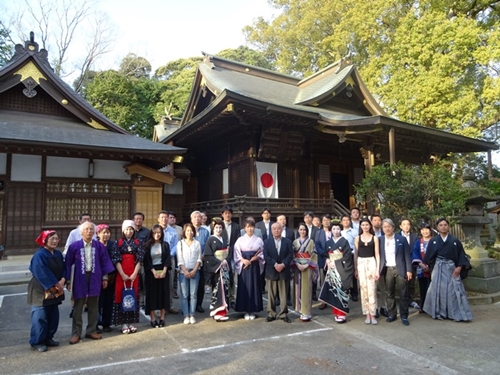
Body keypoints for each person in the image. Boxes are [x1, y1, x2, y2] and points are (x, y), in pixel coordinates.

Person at [65, 222, 114, 344]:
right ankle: (76, 333)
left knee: (94, 306)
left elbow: (104, 262)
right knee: (78, 306)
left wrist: (105, 278)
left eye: (91, 229)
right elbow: (67, 264)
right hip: (79, 277)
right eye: (86, 229)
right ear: (81, 232)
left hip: (95, 277)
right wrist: (68, 280)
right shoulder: (74, 247)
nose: (89, 231)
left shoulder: (99, 246)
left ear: (94, 232)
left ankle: (91, 330)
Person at [423, 218, 472, 322]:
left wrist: (459, 267)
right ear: (437, 227)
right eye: (441, 225)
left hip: (452, 267)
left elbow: (461, 256)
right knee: (438, 290)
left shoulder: (455, 241)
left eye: (445, 225)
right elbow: (429, 257)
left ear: (448, 226)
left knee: (454, 290)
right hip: (438, 267)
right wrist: (429, 267)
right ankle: (439, 312)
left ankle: (454, 313)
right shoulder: (434, 241)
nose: (443, 227)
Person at [27, 230, 66, 352]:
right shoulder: (40, 255)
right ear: (45, 240)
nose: (54, 241)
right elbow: (41, 272)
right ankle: (37, 341)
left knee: (53, 314)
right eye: (52, 239)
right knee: (40, 316)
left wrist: (63, 279)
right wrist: (55, 284)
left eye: (56, 239)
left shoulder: (58, 254)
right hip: (40, 288)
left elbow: (64, 268)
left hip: (56, 287)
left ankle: (49, 337)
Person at [110, 220, 145, 334]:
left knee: (133, 296)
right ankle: (123, 323)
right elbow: (116, 260)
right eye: (127, 229)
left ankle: (131, 322)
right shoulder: (118, 243)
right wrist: (123, 274)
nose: (129, 231)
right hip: (122, 274)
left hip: (134, 273)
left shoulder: (138, 242)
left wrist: (135, 273)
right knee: (122, 296)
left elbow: (139, 259)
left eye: (131, 229)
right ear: (123, 230)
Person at [379, 218, 413, 326]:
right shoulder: (380, 240)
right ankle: (392, 314)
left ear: (393, 227)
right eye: (385, 227)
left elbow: (407, 255)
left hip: (400, 268)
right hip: (387, 269)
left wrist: (409, 270)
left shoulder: (401, 239)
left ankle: (404, 315)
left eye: (389, 226)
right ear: (382, 228)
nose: (387, 229)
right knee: (389, 293)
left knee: (403, 292)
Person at [319, 221, 354, 323]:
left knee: (342, 290)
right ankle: (336, 312)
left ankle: (342, 313)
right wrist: (327, 260)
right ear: (331, 230)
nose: (336, 231)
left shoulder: (344, 241)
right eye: (334, 229)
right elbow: (325, 254)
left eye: (338, 229)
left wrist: (337, 262)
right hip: (332, 268)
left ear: (341, 230)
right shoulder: (328, 242)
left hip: (342, 268)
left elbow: (347, 256)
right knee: (333, 290)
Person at [233, 219, 265, 320]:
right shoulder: (240, 240)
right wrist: (242, 260)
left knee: (254, 287)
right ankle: (246, 310)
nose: (250, 229)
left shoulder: (259, 240)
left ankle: (253, 309)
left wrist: (257, 257)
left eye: (251, 227)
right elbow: (236, 253)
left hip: (254, 265)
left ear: (254, 228)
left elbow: (262, 252)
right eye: (247, 227)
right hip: (244, 267)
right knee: (244, 287)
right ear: (244, 228)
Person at [263, 223, 293, 323]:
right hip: (272, 270)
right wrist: (275, 264)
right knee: (271, 293)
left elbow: (290, 255)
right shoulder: (267, 242)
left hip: (284, 270)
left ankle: (283, 313)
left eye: (278, 228)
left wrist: (283, 264)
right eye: (274, 229)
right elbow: (266, 256)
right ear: (271, 231)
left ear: (282, 230)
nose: (276, 230)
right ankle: (271, 313)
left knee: (283, 293)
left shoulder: (288, 241)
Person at [143, 224, 171, 328]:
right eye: (155, 233)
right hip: (151, 272)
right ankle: (153, 318)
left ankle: (162, 317)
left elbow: (168, 258)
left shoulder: (165, 245)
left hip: (163, 270)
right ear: (151, 233)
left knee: (163, 294)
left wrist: (164, 271)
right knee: (152, 295)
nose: (157, 235)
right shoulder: (147, 245)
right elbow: (146, 261)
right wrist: (153, 271)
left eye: (159, 232)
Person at [354, 218, 380, 325]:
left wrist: (377, 270)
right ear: (360, 226)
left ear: (370, 226)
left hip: (371, 261)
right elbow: (355, 253)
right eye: (363, 225)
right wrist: (355, 268)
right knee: (363, 288)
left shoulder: (375, 238)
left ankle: (373, 314)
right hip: (360, 262)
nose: (365, 227)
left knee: (372, 288)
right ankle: (367, 314)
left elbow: (377, 254)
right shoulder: (357, 238)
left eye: (367, 225)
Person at [204, 219, 231, 321]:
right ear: (213, 228)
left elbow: (228, 252)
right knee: (217, 289)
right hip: (216, 269)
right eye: (216, 228)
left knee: (225, 288)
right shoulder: (211, 240)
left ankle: (223, 311)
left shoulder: (224, 239)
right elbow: (208, 255)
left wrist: (226, 261)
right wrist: (219, 263)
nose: (218, 230)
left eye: (220, 228)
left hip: (224, 268)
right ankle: (217, 312)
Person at [291, 222, 318, 321]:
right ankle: (300, 310)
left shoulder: (310, 242)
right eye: (301, 229)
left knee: (307, 289)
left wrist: (307, 264)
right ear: (298, 230)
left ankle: (307, 311)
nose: (302, 231)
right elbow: (293, 255)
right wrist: (297, 264)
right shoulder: (295, 242)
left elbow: (314, 254)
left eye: (304, 230)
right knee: (298, 288)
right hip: (297, 267)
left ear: (307, 231)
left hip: (308, 266)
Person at [177, 223, 202, 324]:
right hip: (183, 272)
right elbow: (179, 258)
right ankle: (185, 315)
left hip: (195, 271)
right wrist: (185, 271)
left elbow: (199, 258)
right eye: (187, 230)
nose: (190, 232)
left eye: (191, 230)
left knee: (193, 294)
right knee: (184, 294)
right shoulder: (180, 243)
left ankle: (192, 315)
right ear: (184, 232)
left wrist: (195, 270)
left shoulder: (197, 243)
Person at [158, 211, 179, 314]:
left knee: (170, 283)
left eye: (166, 217)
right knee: (158, 284)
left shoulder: (173, 231)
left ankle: (169, 305)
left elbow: (175, 245)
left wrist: (169, 255)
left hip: (170, 259)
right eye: (162, 217)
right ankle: (159, 307)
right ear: (158, 219)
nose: (164, 219)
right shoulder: (154, 230)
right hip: (157, 260)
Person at [96, 224, 116, 333]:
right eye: (103, 232)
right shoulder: (95, 245)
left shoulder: (113, 245)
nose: (106, 235)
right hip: (98, 277)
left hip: (111, 276)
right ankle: (95, 324)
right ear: (98, 234)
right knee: (98, 302)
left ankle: (106, 323)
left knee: (108, 301)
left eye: (108, 232)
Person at [191, 211, 210, 313]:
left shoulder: (205, 231)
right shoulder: (188, 230)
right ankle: (190, 304)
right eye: (195, 217)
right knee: (190, 283)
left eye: (199, 217)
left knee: (201, 284)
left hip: (202, 261)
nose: (197, 219)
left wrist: (203, 256)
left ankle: (199, 304)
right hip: (190, 261)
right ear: (191, 219)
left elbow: (208, 245)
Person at [412, 223, 433, 313]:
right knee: (423, 287)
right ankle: (423, 306)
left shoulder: (435, 241)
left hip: (433, 268)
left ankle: (432, 307)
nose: (425, 231)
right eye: (423, 230)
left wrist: (430, 266)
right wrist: (422, 265)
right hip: (421, 268)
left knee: (432, 288)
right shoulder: (418, 242)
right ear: (420, 231)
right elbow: (415, 253)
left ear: (430, 230)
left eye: (427, 229)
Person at [400, 218, 420, 310]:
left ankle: (411, 300)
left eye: (408, 224)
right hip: (400, 262)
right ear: (400, 226)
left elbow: (417, 249)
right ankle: (403, 300)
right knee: (402, 282)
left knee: (411, 282)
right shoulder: (396, 236)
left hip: (411, 262)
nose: (406, 226)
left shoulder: (415, 236)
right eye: (404, 224)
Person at [315, 214, 332, 309]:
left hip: (333, 258)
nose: (326, 222)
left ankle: (333, 300)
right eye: (324, 220)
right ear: (322, 222)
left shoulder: (334, 231)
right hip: (322, 258)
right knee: (323, 280)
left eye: (328, 220)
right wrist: (324, 254)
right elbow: (317, 245)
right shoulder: (318, 232)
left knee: (333, 280)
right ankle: (323, 301)